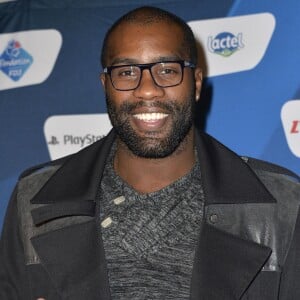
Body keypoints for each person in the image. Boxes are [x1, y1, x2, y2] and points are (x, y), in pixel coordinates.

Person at [0, 6, 300, 300]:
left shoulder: (279, 205)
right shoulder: (34, 200)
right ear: (106, 86)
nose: (147, 90)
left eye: (167, 70)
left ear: (195, 84)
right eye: (127, 72)